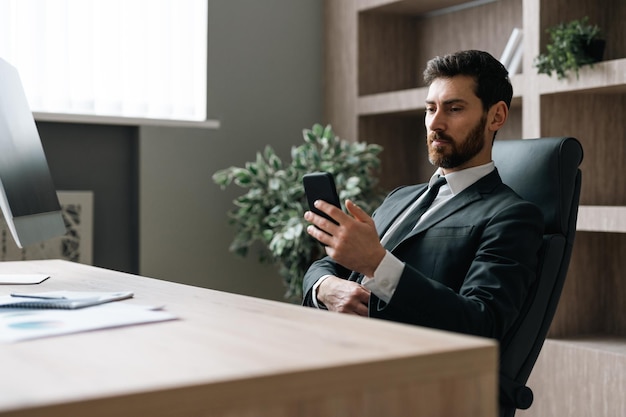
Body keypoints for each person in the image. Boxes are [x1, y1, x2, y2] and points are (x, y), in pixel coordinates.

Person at [301, 50, 544, 342]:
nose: (435, 123)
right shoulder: (400, 198)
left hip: (401, 370)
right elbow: (329, 264)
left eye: (454, 109)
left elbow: (481, 324)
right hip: (329, 346)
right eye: (430, 109)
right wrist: (325, 286)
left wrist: (376, 264)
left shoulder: (511, 216)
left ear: (496, 116)